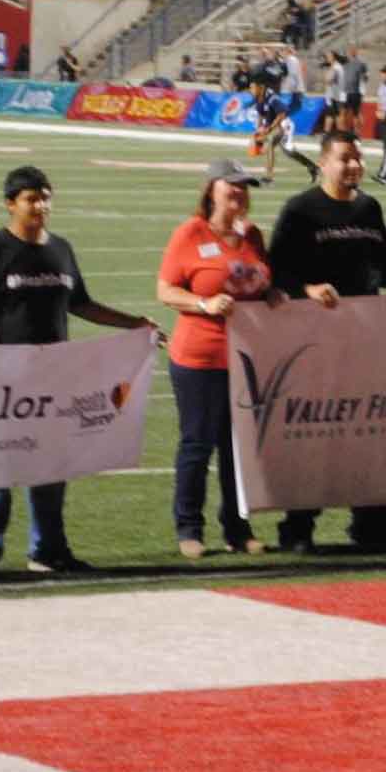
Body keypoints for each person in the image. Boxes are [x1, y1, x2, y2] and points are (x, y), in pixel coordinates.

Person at [0, 165, 160, 577]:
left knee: (51, 467)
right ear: (10, 204)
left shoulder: (61, 249)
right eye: (31, 198)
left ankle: (47, 550)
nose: (41, 205)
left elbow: (81, 304)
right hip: (4, 379)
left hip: (53, 380)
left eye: (46, 197)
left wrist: (133, 324)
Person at [268, 131, 386, 553]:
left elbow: (383, 264)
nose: (353, 166)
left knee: (369, 431)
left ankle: (369, 523)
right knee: (315, 433)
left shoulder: (369, 208)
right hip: (314, 341)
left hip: (365, 340)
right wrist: (308, 289)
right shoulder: (301, 210)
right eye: (345, 158)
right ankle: (298, 525)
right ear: (325, 161)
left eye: (358, 158)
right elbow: (274, 273)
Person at [157, 159, 284, 559]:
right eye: (232, 185)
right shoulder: (189, 234)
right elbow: (165, 291)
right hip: (199, 357)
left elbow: (260, 283)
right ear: (211, 189)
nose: (240, 193)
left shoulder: (253, 236)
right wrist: (204, 303)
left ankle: (237, 527)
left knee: (238, 448)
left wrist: (272, 295)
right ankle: (189, 528)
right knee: (198, 444)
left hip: (244, 358)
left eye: (245, 187)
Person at [250, 75, 317, 183]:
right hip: (276, 126)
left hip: (285, 124)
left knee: (280, 148)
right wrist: (258, 132)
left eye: (253, 87)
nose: (251, 90)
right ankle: (312, 166)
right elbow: (261, 116)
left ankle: (269, 177)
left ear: (261, 87)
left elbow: (282, 114)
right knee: (286, 151)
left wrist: (269, 129)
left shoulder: (272, 98)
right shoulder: (259, 99)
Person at [341, 44, 367, 134]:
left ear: (356, 51)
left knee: (356, 113)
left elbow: (364, 78)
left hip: (355, 92)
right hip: (345, 92)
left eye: (353, 50)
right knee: (343, 112)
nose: (351, 52)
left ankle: (357, 132)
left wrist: (362, 91)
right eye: (350, 50)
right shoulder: (344, 62)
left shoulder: (361, 63)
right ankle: (344, 131)